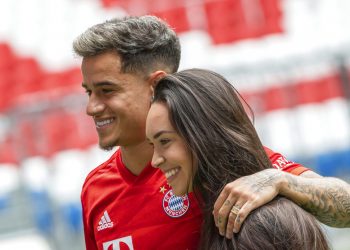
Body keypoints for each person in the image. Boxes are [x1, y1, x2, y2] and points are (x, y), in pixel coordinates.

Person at [72, 15, 350, 249]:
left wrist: (283, 181)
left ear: (155, 85)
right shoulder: (96, 190)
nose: (91, 107)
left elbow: (346, 207)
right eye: (89, 92)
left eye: (106, 90)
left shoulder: (214, 165)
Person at [146, 68, 329, 249]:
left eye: (165, 141)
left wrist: (281, 180)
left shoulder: (258, 224)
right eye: (152, 145)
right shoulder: (227, 214)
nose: (155, 160)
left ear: (204, 134)